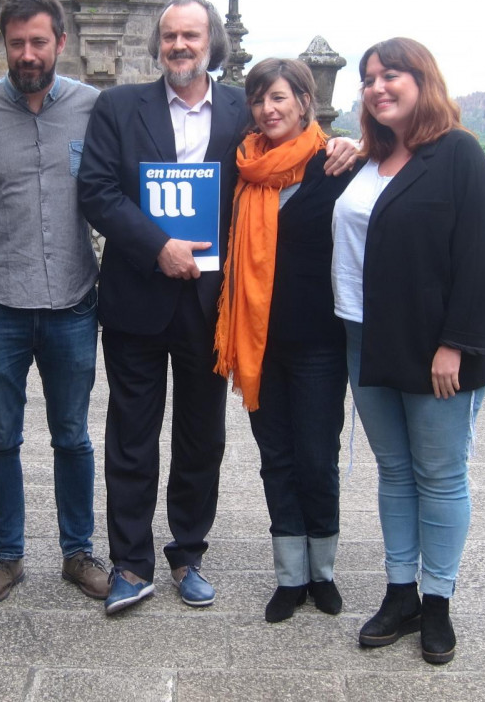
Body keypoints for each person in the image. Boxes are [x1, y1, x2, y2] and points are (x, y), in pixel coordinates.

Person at [78, 0, 359, 614]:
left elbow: (288, 152)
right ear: (158, 45)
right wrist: (159, 247)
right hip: (137, 299)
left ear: (212, 44)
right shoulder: (119, 107)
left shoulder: (242, 108)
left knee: (202, 436)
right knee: (131, 436)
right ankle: (131, 562)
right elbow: (96, 191)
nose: (180, 45)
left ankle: (187, 552)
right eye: (170, 36)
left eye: (191, 35)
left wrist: (344, 147)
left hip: (214, 304)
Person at [332, 37, 485, 665]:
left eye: (391, 75)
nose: (378, 87)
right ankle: (400, 592)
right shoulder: (366, 160)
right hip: (363, 336)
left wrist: (454, 345)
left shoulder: (457, 154)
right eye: (369, 79)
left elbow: (476, 260)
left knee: (440, 473)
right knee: (395, 472)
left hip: (436, 348)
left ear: (421, 79)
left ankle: (438, 604)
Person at [0, 0, 109, 604]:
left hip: (72, 301)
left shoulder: (96, 108)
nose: (29, 53)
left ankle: (78, 552)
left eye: (40, 41)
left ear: (61, 43)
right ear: (3, 45)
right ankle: (7, 555)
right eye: (17, 43)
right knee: (2, 436)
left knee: (73, 434)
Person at [213, 58, 355, 624]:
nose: (267, 110)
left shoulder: (337, 164)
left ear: (304, 100)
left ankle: (323, 572)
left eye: (278, 98)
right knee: (277, 458)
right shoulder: (242, 167)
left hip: (320, 341)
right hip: (259, 341)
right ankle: (289, 576)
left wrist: (361, 144)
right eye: (258, 100)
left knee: (316, 458)